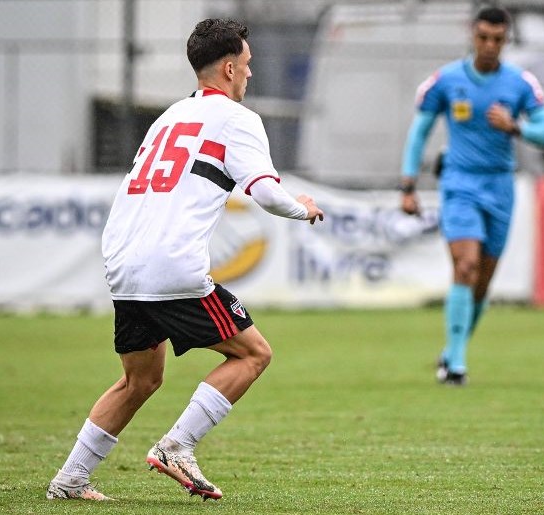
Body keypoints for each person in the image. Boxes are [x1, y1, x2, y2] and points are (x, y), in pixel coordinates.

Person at [46, 18, 324, 502]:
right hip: (170, 266)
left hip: (123, 261)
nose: (251, 76)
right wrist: (305, 208)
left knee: (140, 379)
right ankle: (178, 445)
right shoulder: (238, 120)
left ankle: (70, 480)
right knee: (254, 353)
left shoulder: (169, 116)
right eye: (249, 65)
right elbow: (266, 194)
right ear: (231, 66)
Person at [399, 6, 544, 386]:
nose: (490, 46)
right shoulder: (447, 79)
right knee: (465, 267)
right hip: (459, 183)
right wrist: (407, 185)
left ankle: (451, 352)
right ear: (472, 35)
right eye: (483, 37)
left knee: (483, 284)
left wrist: (515, 126)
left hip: (500, 187)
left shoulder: (520, 83)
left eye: (498, 40)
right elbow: (419, 131)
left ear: (506, 40)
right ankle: (456, 366)